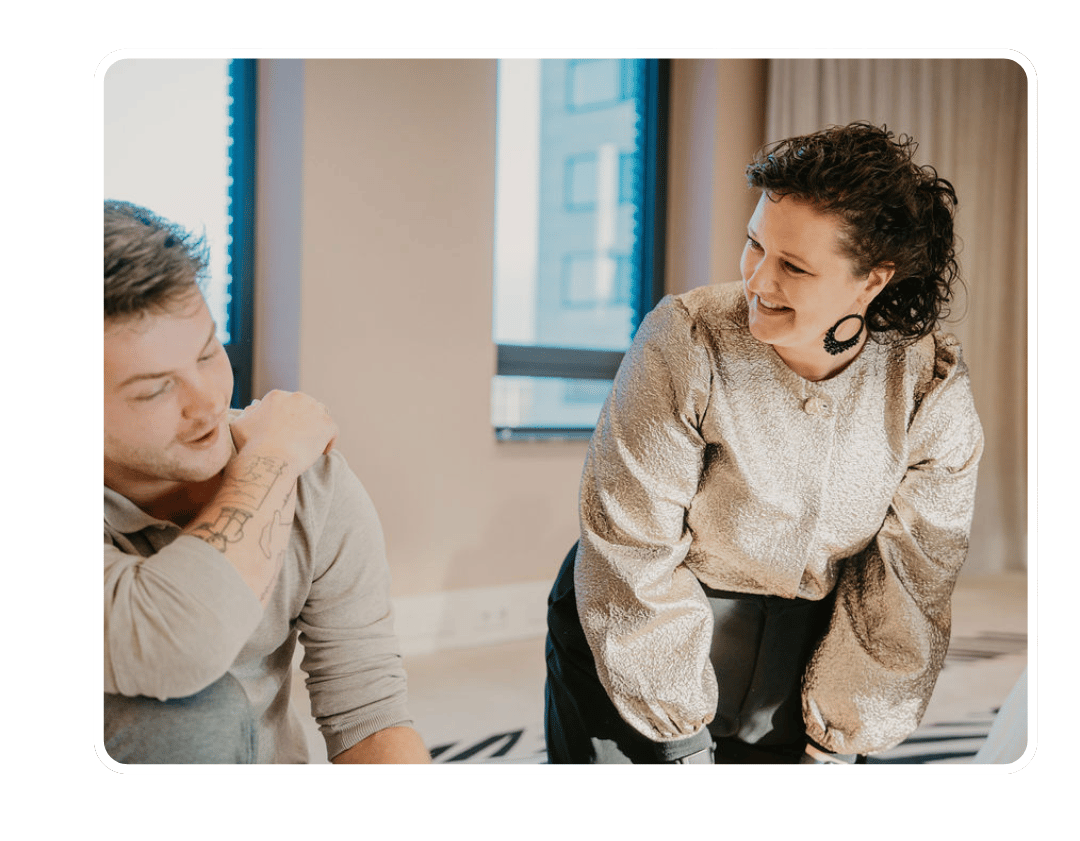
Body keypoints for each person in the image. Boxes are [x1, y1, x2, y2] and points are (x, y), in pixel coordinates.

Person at [545, 122, 984, 764]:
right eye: (754, 245)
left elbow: (910, 587)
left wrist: (840, 739)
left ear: (872, 280)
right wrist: (680, 743)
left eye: (794, 267)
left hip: (810, 660)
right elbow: (631, 544)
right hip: (633, 634)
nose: (757, 280)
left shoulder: (930, 387)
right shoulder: (685, 339)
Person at [101, 200, 430, 764]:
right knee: (193, 714)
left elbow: (369, 714)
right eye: (156, 389)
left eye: (208, 353)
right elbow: (176, 640)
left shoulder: (315, 483)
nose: (208, 402)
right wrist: (272, 457)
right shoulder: (285, 457)